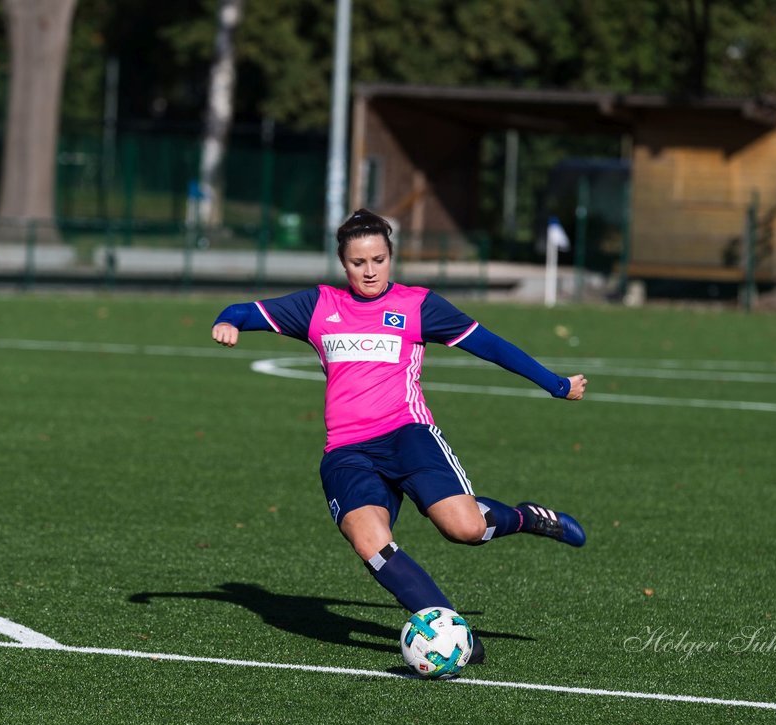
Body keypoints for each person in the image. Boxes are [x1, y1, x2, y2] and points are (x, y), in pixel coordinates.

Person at [211, 209, 588, 665]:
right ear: (342, 263)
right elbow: (242, 311)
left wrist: (555, 383)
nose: (369, 271)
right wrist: (227, 322)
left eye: (378, 259)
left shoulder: (418, 305)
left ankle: (527, 518)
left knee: (465, 528)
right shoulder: (318, 305)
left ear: (391, 257)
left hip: (408, 435)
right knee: (370, 541)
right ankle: (450, 629)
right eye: (357, 262)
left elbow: (490, 345)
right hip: (347, 451)